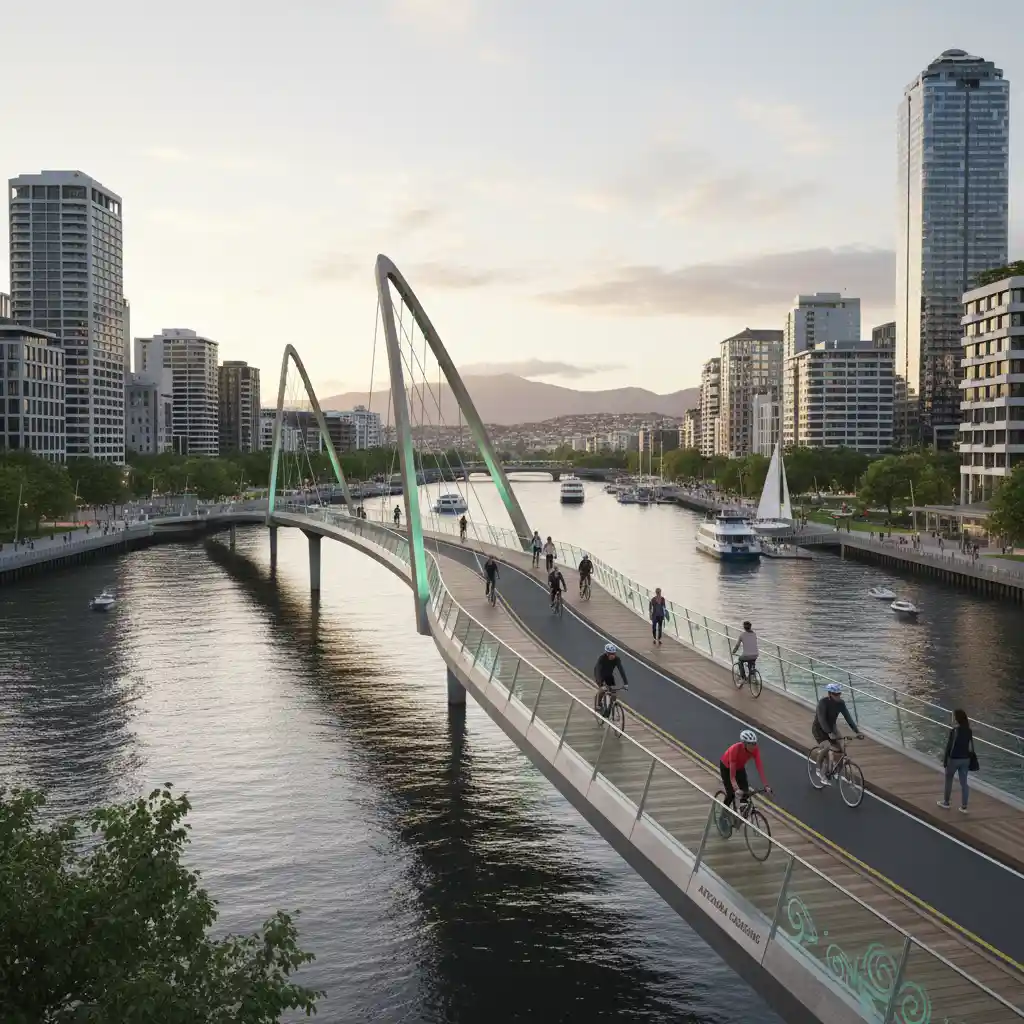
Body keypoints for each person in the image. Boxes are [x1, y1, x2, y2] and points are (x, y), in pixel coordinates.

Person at [813, 682, 863, 784]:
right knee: (827, 746)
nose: (838, 696)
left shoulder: (841, 704)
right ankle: (819, 770)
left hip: (832, 727)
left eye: (839, 694)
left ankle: (836, 771)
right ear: (830, 694)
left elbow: (848, 717)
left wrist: (857, 731)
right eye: (835, 694)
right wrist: (829, 732)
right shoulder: (823, 703)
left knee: (841, 748)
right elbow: (821, 719)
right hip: (820, 729)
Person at [719, 730, 772, 813]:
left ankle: (741, 815)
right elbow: (732, 776)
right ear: (744, 744)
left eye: (754, 743)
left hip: (739, 767)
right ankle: (723, 815)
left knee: (745, 792)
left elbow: (759, 767)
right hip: (727, 767)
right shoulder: (735, 750)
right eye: (751, 744)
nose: (753, 746)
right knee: (731, 794)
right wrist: (736, 788)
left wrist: (766, 785)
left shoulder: (755, 750)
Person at [938, 708, 974, 813]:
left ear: (957, 718)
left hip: (954, 759)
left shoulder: (954, 731)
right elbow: (970, 747)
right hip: (965, 759)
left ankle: (946, 802)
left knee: (949, 780)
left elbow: (949, 747)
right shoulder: (969, 731)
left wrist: (945, 760)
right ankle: (964, 807)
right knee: (964, 783)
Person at [594, 643, 629, 711]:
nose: (613, 656)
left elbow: (621, 671)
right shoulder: (602, 658)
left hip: (609, 675)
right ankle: (598, 704)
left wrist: (626, 683)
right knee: (603, 689)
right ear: (607, 653)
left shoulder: (617, 659)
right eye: (611, 654)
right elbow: (598, 671)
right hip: (600, 674)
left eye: (614, 654)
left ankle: (610, 708)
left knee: (614, 693)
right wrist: (601, 684)